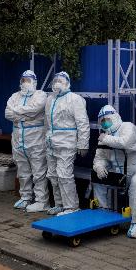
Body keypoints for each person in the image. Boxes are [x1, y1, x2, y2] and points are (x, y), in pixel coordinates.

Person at [93, 104, 136, 238]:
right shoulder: (104, 137)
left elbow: (124, 142)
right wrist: (99, 166)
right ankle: (102, 213)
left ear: (114, 117)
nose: (105, 123)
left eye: (107, 119)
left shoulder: (127, 127)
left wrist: (105, 138)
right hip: (124, 173)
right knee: (98, 176)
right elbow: (99, 158)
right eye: (102, 121)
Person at [44, 71, 89, 215]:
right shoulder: (50, 99)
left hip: (67, 143)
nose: (57, 83)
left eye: (61, 81)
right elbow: (47, 122)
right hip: (51, 142)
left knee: (64, 175)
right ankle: (59, 204)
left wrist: (83, 144)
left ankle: (71, 206)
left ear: (68, 83)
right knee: (53, 175)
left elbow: (83, 123)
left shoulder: (75, 99)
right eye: (55, 80)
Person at [4, 70, 50, 212]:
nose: (25, 82)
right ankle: (25, 197)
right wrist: (28, 117)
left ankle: (41, 201)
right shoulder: (14, 96)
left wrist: (18, 112)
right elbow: (7, 113)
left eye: (28, 80)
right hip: (18, 137)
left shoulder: (41, 95)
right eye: (23, 79)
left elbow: (35, 109)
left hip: (35, 137)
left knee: (38, 171)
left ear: (34, 82)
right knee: (22, 170)